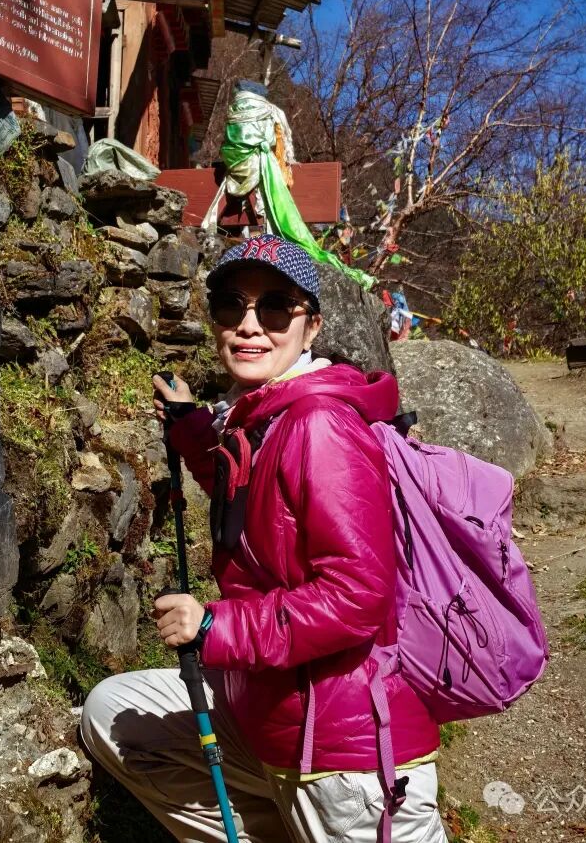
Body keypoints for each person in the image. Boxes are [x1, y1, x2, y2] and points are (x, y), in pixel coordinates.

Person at [80, 235, 448, 843]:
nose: (250, 325)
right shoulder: (265, 417)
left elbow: (358, 595)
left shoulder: (321, 425)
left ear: (311, 327)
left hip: (345, 755)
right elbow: (255, 498)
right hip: (273, 716)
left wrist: (214, 626)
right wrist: (192, 429)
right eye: (233, 305)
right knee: (112, 713)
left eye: (276, 308)